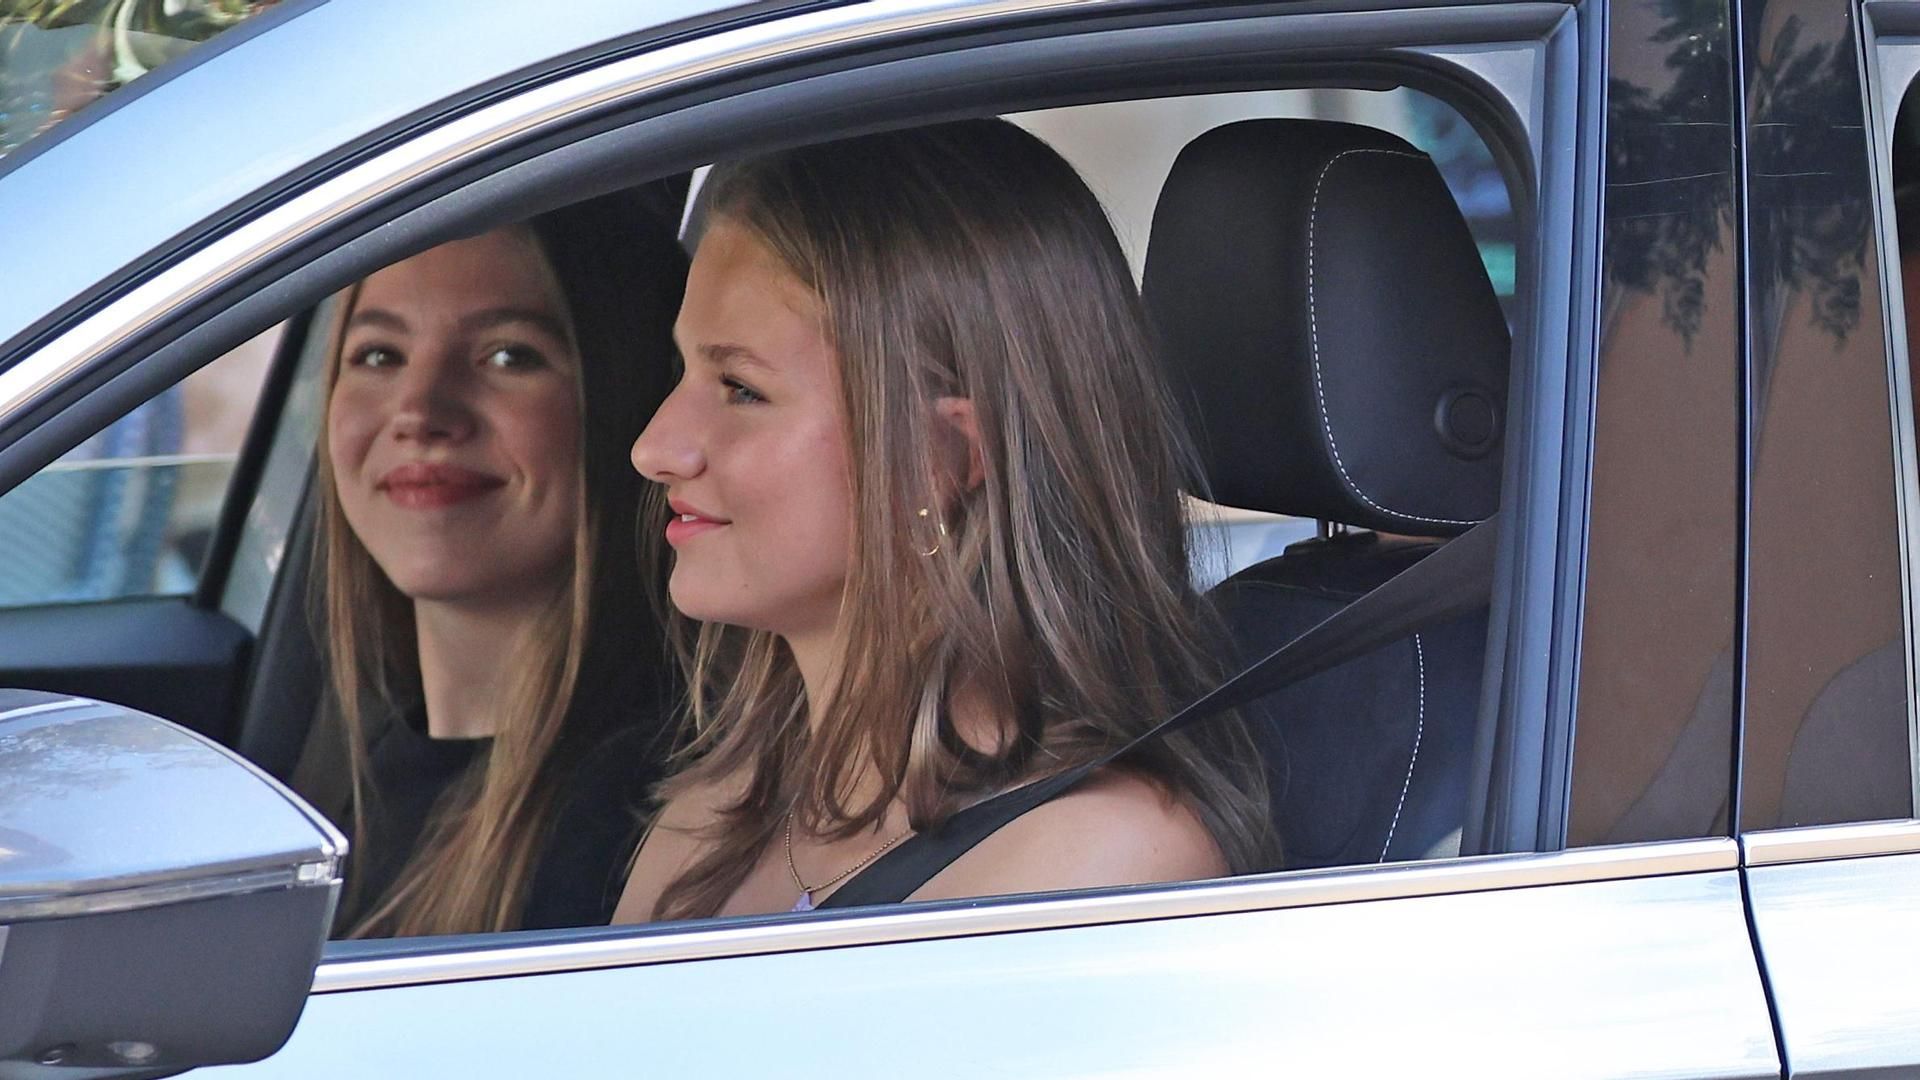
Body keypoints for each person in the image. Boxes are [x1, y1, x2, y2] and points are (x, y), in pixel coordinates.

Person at [614, 120, 1279, 924]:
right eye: (684, 370)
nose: (655, 449)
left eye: (741, 390)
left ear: (949, 456)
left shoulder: (1095, 860)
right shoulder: (712, 815)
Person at [317, 189, 688, 937]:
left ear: (627, 401)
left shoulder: (631, 822)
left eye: (509, 356)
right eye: (380, 355)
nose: (419, 412)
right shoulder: (372, 764)